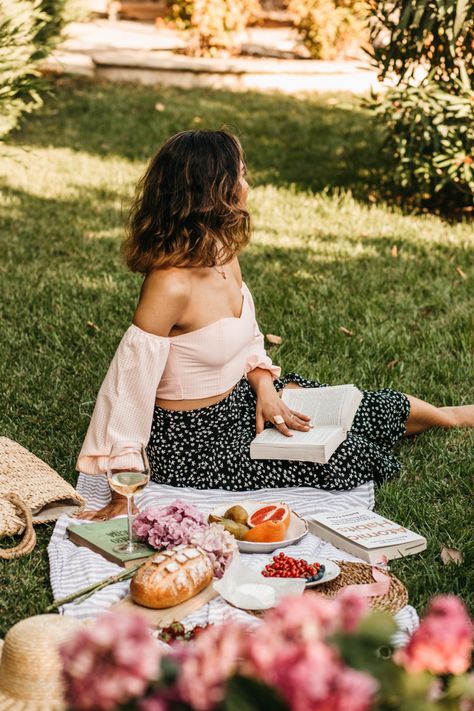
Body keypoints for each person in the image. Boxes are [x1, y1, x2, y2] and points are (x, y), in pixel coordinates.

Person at [76, 130, 474, 520]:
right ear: (213, 191)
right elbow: (129, 387)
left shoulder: (222, 251)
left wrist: (266, 387)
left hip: (243, 403)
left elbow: (248, 335)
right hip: (196, 444)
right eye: (241, 175)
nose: (247, 185)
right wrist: (122, 484)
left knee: (381, 409)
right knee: (351, 456)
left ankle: (453, 416)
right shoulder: (168, 285)